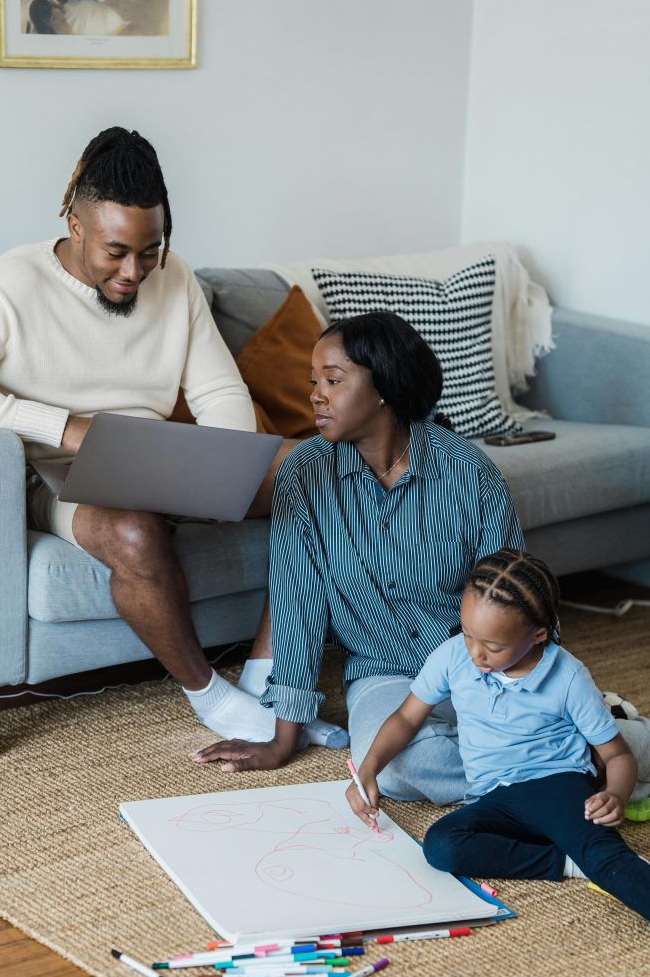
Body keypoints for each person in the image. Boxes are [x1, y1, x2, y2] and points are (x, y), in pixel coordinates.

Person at [0, 125, 324, 746]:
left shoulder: (174, 277)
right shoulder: (6, 287)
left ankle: (271, 674)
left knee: (322, 471)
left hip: (158, 459)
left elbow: (218, 391)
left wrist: (224, 466)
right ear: (75, 224)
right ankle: (211, 696)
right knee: (133, 531)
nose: (134, 271)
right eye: (115, 252)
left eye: (150, 249)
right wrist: (65, 427)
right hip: (58, 476)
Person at [193, 311, 526, 797]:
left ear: (384, 387)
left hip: (474, 662)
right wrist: (282, 738)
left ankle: (583, 742)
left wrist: (533, 686)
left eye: (333, 379)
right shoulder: (302, 474)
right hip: (382, 672)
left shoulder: (468, 471)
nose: (315, 395)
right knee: (395, 771)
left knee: (540, 723)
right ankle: (551, 767)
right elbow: (297, 604)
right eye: (314, 381)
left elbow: (514, 593)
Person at [346, 549, 650, 921]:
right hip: (491, 795)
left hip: (554, 785)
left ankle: (585, 852)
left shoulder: (568, 677)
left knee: (610, 862)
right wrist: (369, 767)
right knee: (442, 846)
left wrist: (615, 795)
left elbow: (617, 755)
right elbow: (406, 719)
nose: (476, 654)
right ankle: (566, 861)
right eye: (468, 634)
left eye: (493, 647)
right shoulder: (454, 655)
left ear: (538, 635)